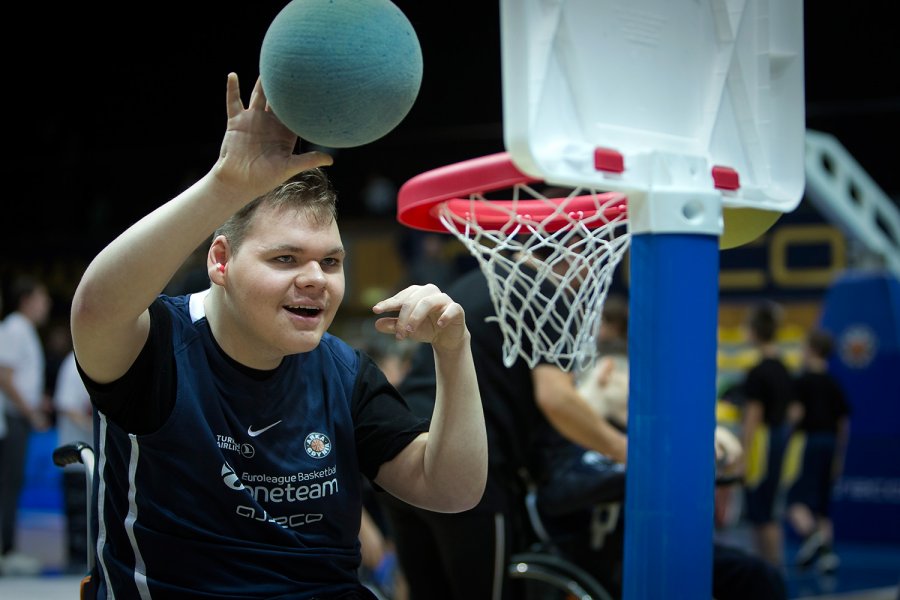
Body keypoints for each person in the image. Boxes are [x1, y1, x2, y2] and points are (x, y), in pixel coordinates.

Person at [68, 72, 487, 599]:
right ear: (220, 261)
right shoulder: (159, 347)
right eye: (285, 258)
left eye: (330, 262)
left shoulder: (344, 371)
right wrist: (226, 184)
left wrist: (454, 350)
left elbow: (452, 490)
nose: (315, 278)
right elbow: (95, 309)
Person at [381, 247, 629, 600]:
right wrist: (626, 451)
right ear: (575, 252)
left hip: (402, 454)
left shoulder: (469, 283)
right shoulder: (547, 293)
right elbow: (556, 398)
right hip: (465, 466)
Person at [784, 328, 851, 574]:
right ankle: (826, 557)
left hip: (809, 442)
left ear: (811, 349)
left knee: (794, 501)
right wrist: (839, 456)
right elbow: (843, 423)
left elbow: (795, 415)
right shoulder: (834, 383)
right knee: (822, 505)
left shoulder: (801, 381)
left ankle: (816, 541)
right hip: (831, 443)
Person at [0, 275, 52, 576]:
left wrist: (37, 403)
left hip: (20, 415)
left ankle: (7, 547)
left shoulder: (25, 331)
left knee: (12, 484)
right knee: (8, 484)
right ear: (26, 300)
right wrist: (29, 411)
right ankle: (5, 550)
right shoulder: (15, 329)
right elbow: (5, 376)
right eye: (41, 298)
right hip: (12, 417)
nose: (46, 304)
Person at [738, 300, 794, 568]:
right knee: (769, 509)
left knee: (762, 512)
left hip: (763, 442)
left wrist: (744, 453)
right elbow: (794, 411)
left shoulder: (759, 371)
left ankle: (769, 571)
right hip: (780, 437)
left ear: (755, 331)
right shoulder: (783, 368)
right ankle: (772, 569)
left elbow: (753, 416)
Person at [52, 348, 93, 574]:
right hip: (76, 456)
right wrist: (92, 427)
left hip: (90, 454)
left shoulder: (93, 359)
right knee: (79, 514)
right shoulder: (74, 363)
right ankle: (76, 561)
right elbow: (66, 405)